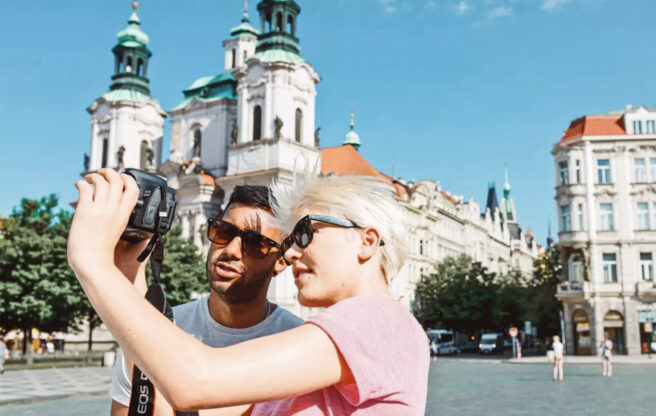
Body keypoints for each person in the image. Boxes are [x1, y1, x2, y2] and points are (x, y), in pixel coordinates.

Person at [67, 169, 429, 415]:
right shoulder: (335, 340)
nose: (289, 252)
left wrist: (92, 261)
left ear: (366, 241)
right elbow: (185, 406)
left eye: (304, 233)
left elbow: (193, 380)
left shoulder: (379, 319)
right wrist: (130, 275)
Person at [108, 185, 304, 415]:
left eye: (254, 243)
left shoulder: (297, 344)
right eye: (224, 232)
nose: (231, 250)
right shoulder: (156, 329)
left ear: (281, 262)